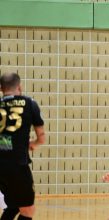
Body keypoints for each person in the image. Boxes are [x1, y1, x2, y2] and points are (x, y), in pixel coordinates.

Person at [0, 72, 46, 220]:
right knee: (28, 210)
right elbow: (41, 137)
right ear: (19, 87)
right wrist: (33, 144)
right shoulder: (29, 103)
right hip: (18, 164)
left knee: (13, 206)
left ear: (1, 88)